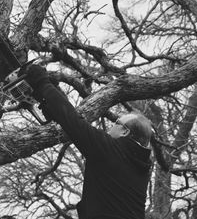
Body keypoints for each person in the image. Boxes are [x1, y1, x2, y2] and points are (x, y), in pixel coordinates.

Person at [23, 64, 154, 219]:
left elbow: (74, 123)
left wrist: (42, 82)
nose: (112, 126)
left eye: (117, 122)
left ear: (125, 131)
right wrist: (53, 100)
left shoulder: (111, 150)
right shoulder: (140, 166)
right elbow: (76, 125)